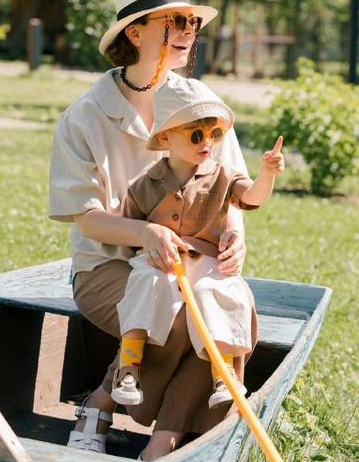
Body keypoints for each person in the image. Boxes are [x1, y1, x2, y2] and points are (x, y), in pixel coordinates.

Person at [49, 0, 256, 462]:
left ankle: (159, 440)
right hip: (107, 266)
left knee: (234, 310)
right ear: (134, 32)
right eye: (174, 20)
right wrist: (147, 232)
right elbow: (87, 219)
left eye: (192, 22)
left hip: (194, 264)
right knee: (183, 315)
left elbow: (231, 194)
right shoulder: (85, 115)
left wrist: (235, 236)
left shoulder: (201, 104)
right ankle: (108, 403)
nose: (188, 30)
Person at [112, 79, 284, 410]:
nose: (207, 142)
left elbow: (251, 197)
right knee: (146, 281)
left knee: (213, 292)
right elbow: (129, 225)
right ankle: (128, 367)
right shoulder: (146, 184)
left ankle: (224, 375)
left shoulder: (223, 176)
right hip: (162, 258)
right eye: (195, 135)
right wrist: (142, 245)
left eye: (214, 134)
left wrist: (267, 175)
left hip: (205, 259)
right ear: (165, 137)